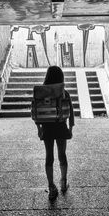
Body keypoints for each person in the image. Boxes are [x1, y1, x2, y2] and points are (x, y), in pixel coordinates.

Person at [35, 66, 75, 201]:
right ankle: (63, 182)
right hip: (60, 126)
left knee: (49, 156)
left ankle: (51, 187)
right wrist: (71, 127)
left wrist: (39, 128)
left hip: (47, 127)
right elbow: (71, 110)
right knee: (62, 154)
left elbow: (35, 110)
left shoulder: (41, 93)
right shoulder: (64, 92)